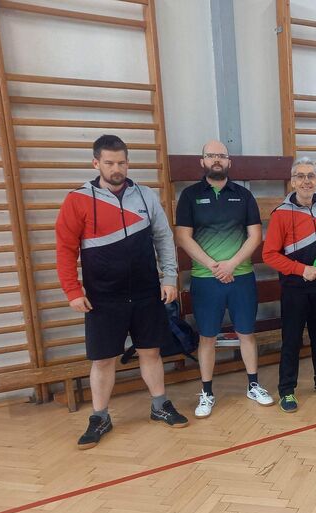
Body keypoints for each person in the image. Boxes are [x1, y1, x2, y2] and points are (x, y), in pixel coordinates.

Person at [55, 134, 187, 449]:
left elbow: (163, 237)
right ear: (96, 163)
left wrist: (170, 277)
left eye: (122, 162)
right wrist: (72, 290)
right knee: (103, 360)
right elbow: (65, 249)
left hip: (146, 292)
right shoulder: (77, 200)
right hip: (102, 297)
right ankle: (100, 416)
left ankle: (160, 405)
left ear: (128, 163)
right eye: (110, 163)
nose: (116, 169)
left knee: (150, 352)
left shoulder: (145, 196)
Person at [175, 140, 273, 418]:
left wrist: (231, 264)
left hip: (241, 277)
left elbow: (255, 236)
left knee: (246, 334)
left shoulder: (243, 195)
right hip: (205, 279)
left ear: (229, 161)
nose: (216, 160)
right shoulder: (190, 196)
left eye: (221, 155)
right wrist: (214, 265)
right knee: (207, 337)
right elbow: (183, 237)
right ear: (202, 161)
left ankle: (253, 386)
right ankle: (207, 392)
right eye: (211, 155)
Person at [262, 157, 316, 412]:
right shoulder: (280, 214)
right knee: (291, 341)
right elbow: (269, 255)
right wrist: (302, 270)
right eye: (300, 176)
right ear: (292, 182)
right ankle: (287, 390)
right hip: (294, 289)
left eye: (311, 176)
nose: (306, 181)